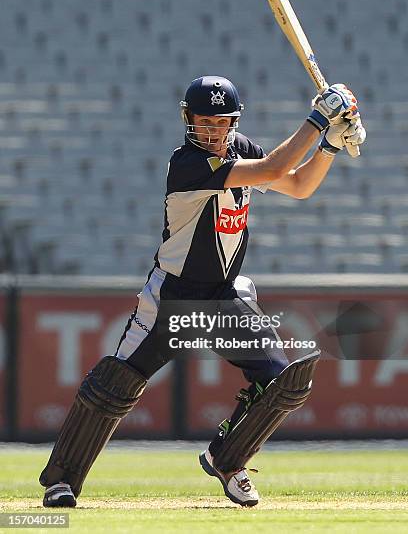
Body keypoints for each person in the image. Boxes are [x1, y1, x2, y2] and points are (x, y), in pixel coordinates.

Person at [39, 76, 366, 508]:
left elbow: (298, 185)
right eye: (203, 120)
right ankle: (62, 482)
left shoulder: (241, 148)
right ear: (188, 119)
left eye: (221, 121)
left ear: (234, 121)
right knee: (113, 386)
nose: (212, 130)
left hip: (224, 296)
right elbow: (272, 169)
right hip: (173, 298)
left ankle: (227, 459)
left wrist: (330, 145)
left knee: (282, 384)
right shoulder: (187, 163)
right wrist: (318, 120)